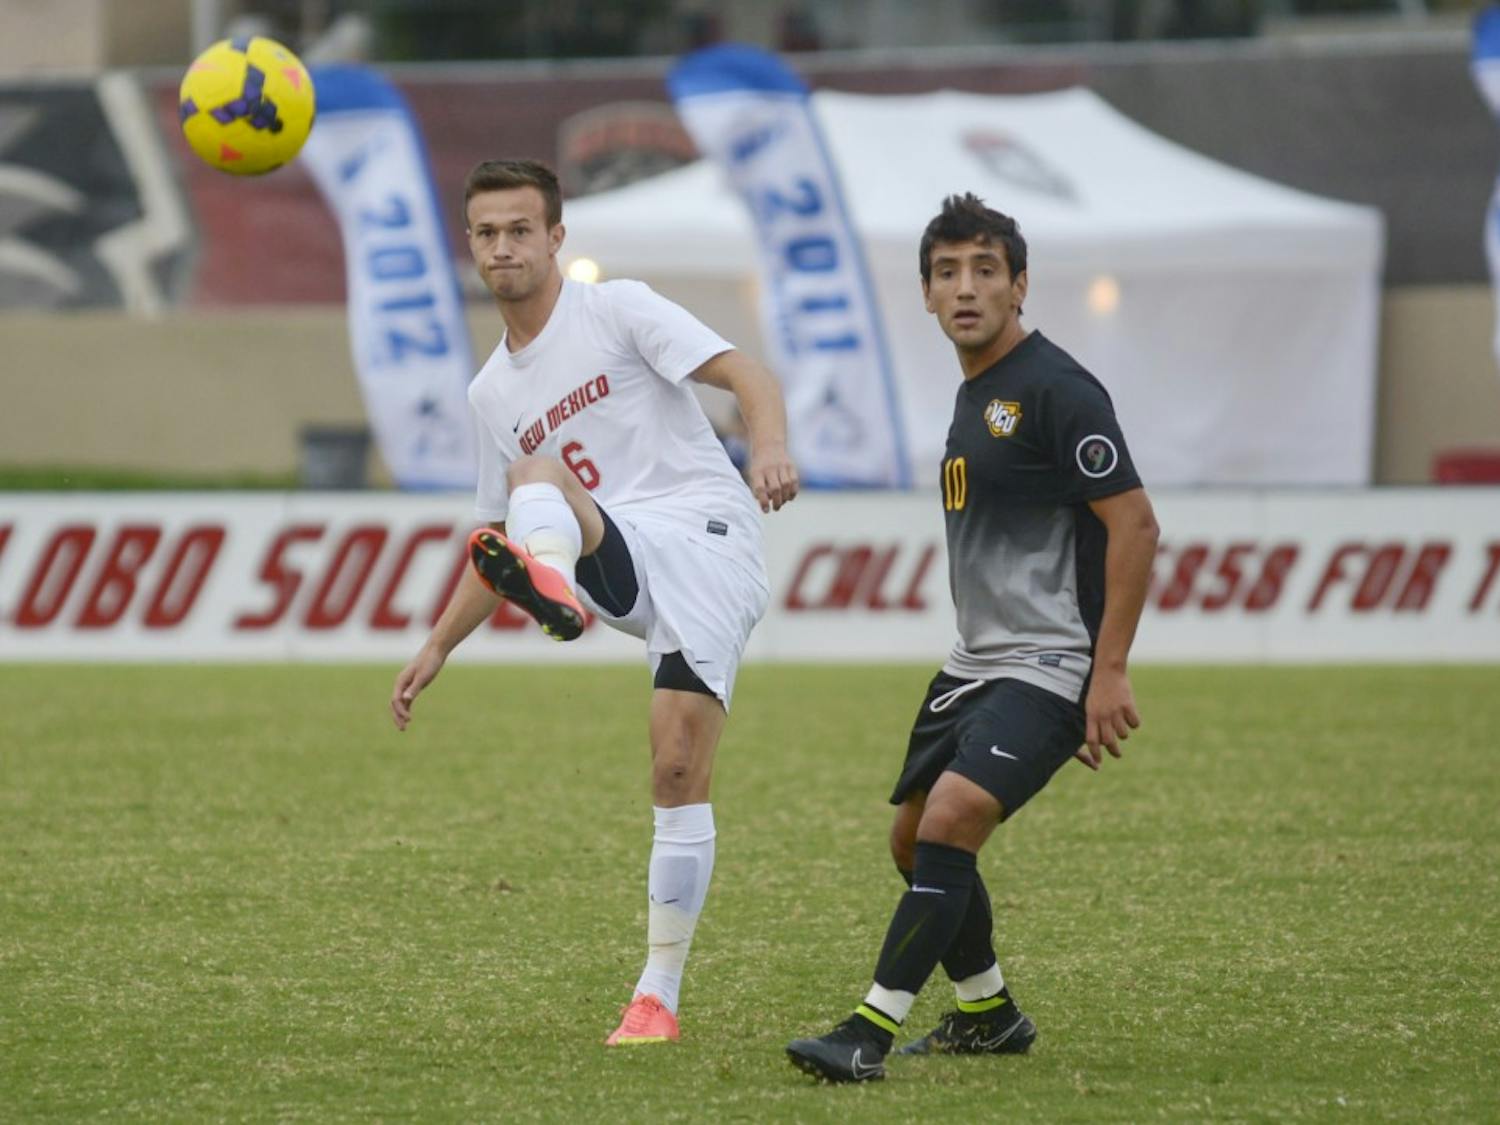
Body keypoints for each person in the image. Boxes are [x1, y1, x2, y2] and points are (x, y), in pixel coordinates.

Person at [390, 159, 799, 1047]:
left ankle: (657, 993)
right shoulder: (489, 392)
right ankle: (556, 590)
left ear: (555, 238)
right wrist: (436, 648)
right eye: (487, 232)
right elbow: (489, 536)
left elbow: (749, 374)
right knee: (532, 476)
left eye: (519, 229)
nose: (503, 246)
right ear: (472, 245)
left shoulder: (616, 310)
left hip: (705, 538)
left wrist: (767, 449)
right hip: (604, 546)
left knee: (677, 765)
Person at [786, 194, 1159, 1082]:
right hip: (974, 663)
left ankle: (865, 1031)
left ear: (1019, 285)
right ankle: (989, 1012)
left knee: (953, 819)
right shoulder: (974, 395)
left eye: (985, 270)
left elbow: (1136, 526)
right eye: (947, 272)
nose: (966, 288)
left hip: (1051, 662)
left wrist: (1106, 671)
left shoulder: (1058, 389)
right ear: (925, 293)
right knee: (914, 840)